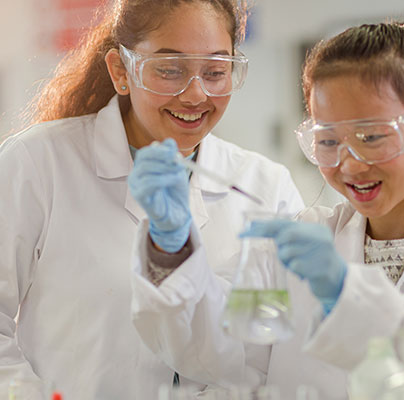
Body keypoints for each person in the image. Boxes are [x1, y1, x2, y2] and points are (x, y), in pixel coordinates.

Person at [129, 21, 404, 399]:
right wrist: (171, 243)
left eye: (372, 136)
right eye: (327, 141)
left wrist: (346, 296)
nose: (351, 164)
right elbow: (216, 353)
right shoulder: (300, 246)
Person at [0, 0, 304, 398]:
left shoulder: (266, 187)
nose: (196, 95)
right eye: (169, 70)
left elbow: (276, 351)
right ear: (121, 71)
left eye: (215, 71)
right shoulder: (39, 164)